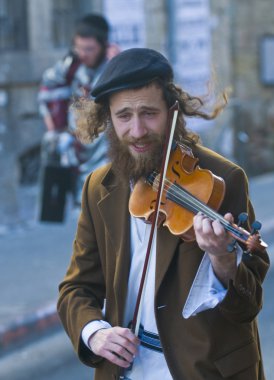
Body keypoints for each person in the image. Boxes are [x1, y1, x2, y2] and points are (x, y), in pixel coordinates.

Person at [57, 48, 270, 379]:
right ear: (108, 119)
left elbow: (247, 306)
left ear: (173, 112)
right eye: (124, 116)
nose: (138, 130)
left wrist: (223, 262)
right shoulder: (99, 186)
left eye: (149, 113)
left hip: (203, 370)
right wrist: (95, 333)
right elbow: (76, 288)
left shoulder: (222, 180)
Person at [38, 14, 117, 220]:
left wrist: (118, 61)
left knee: (107, 204)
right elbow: (48, 89)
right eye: (79, 47)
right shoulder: (71, 65)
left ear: (103, 45)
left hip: (106, 147)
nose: (84, 54)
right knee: (85, 211)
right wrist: (55, 130)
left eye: (90, 49)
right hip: (78, 147)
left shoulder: (115, 65)